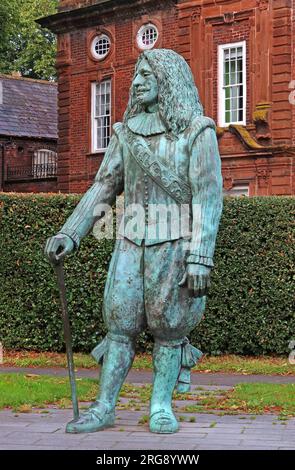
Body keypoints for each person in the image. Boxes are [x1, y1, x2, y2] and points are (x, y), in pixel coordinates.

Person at [45, 49, 223, 434]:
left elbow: (208, 198)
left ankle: (160, 405)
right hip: (128, 243)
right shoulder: (125, 133)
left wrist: (200, 257)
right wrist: (70, 232)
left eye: (147, 75)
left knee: (169, 328)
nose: (137, 82)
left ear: (168, 81)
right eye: (136, 76)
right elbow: (104, 187)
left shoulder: (198, 130)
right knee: (120, 325)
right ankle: (103, 406)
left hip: (175, 245)